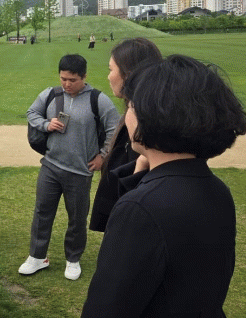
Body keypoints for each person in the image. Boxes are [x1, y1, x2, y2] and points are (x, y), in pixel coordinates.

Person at [82, 55, 246, 317]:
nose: (127, 114)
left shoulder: (140, 209)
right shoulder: (217, 189)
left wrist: (138, 196)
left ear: (153, 116)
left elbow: (105, 309)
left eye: (131, 105)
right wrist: (142, 178)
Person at [19, 54, 119, 280]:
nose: (67, 84)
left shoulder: (98, 99)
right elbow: (31, 113)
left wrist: (103, 156)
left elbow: (114, 128)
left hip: (80, 172)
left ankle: (73, 259)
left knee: (77, 218)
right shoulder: (51, 94)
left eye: (72, 80)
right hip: (50, 166)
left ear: (84, 76)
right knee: (42, 212)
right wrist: (46, 124)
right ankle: (37, 256)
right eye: (63, 78)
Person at [89, 38, 162, 232]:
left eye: (111, 69)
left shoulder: (145, 120)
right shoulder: (143, 111)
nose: (108, 77)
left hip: (136, 217)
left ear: (129, 74)